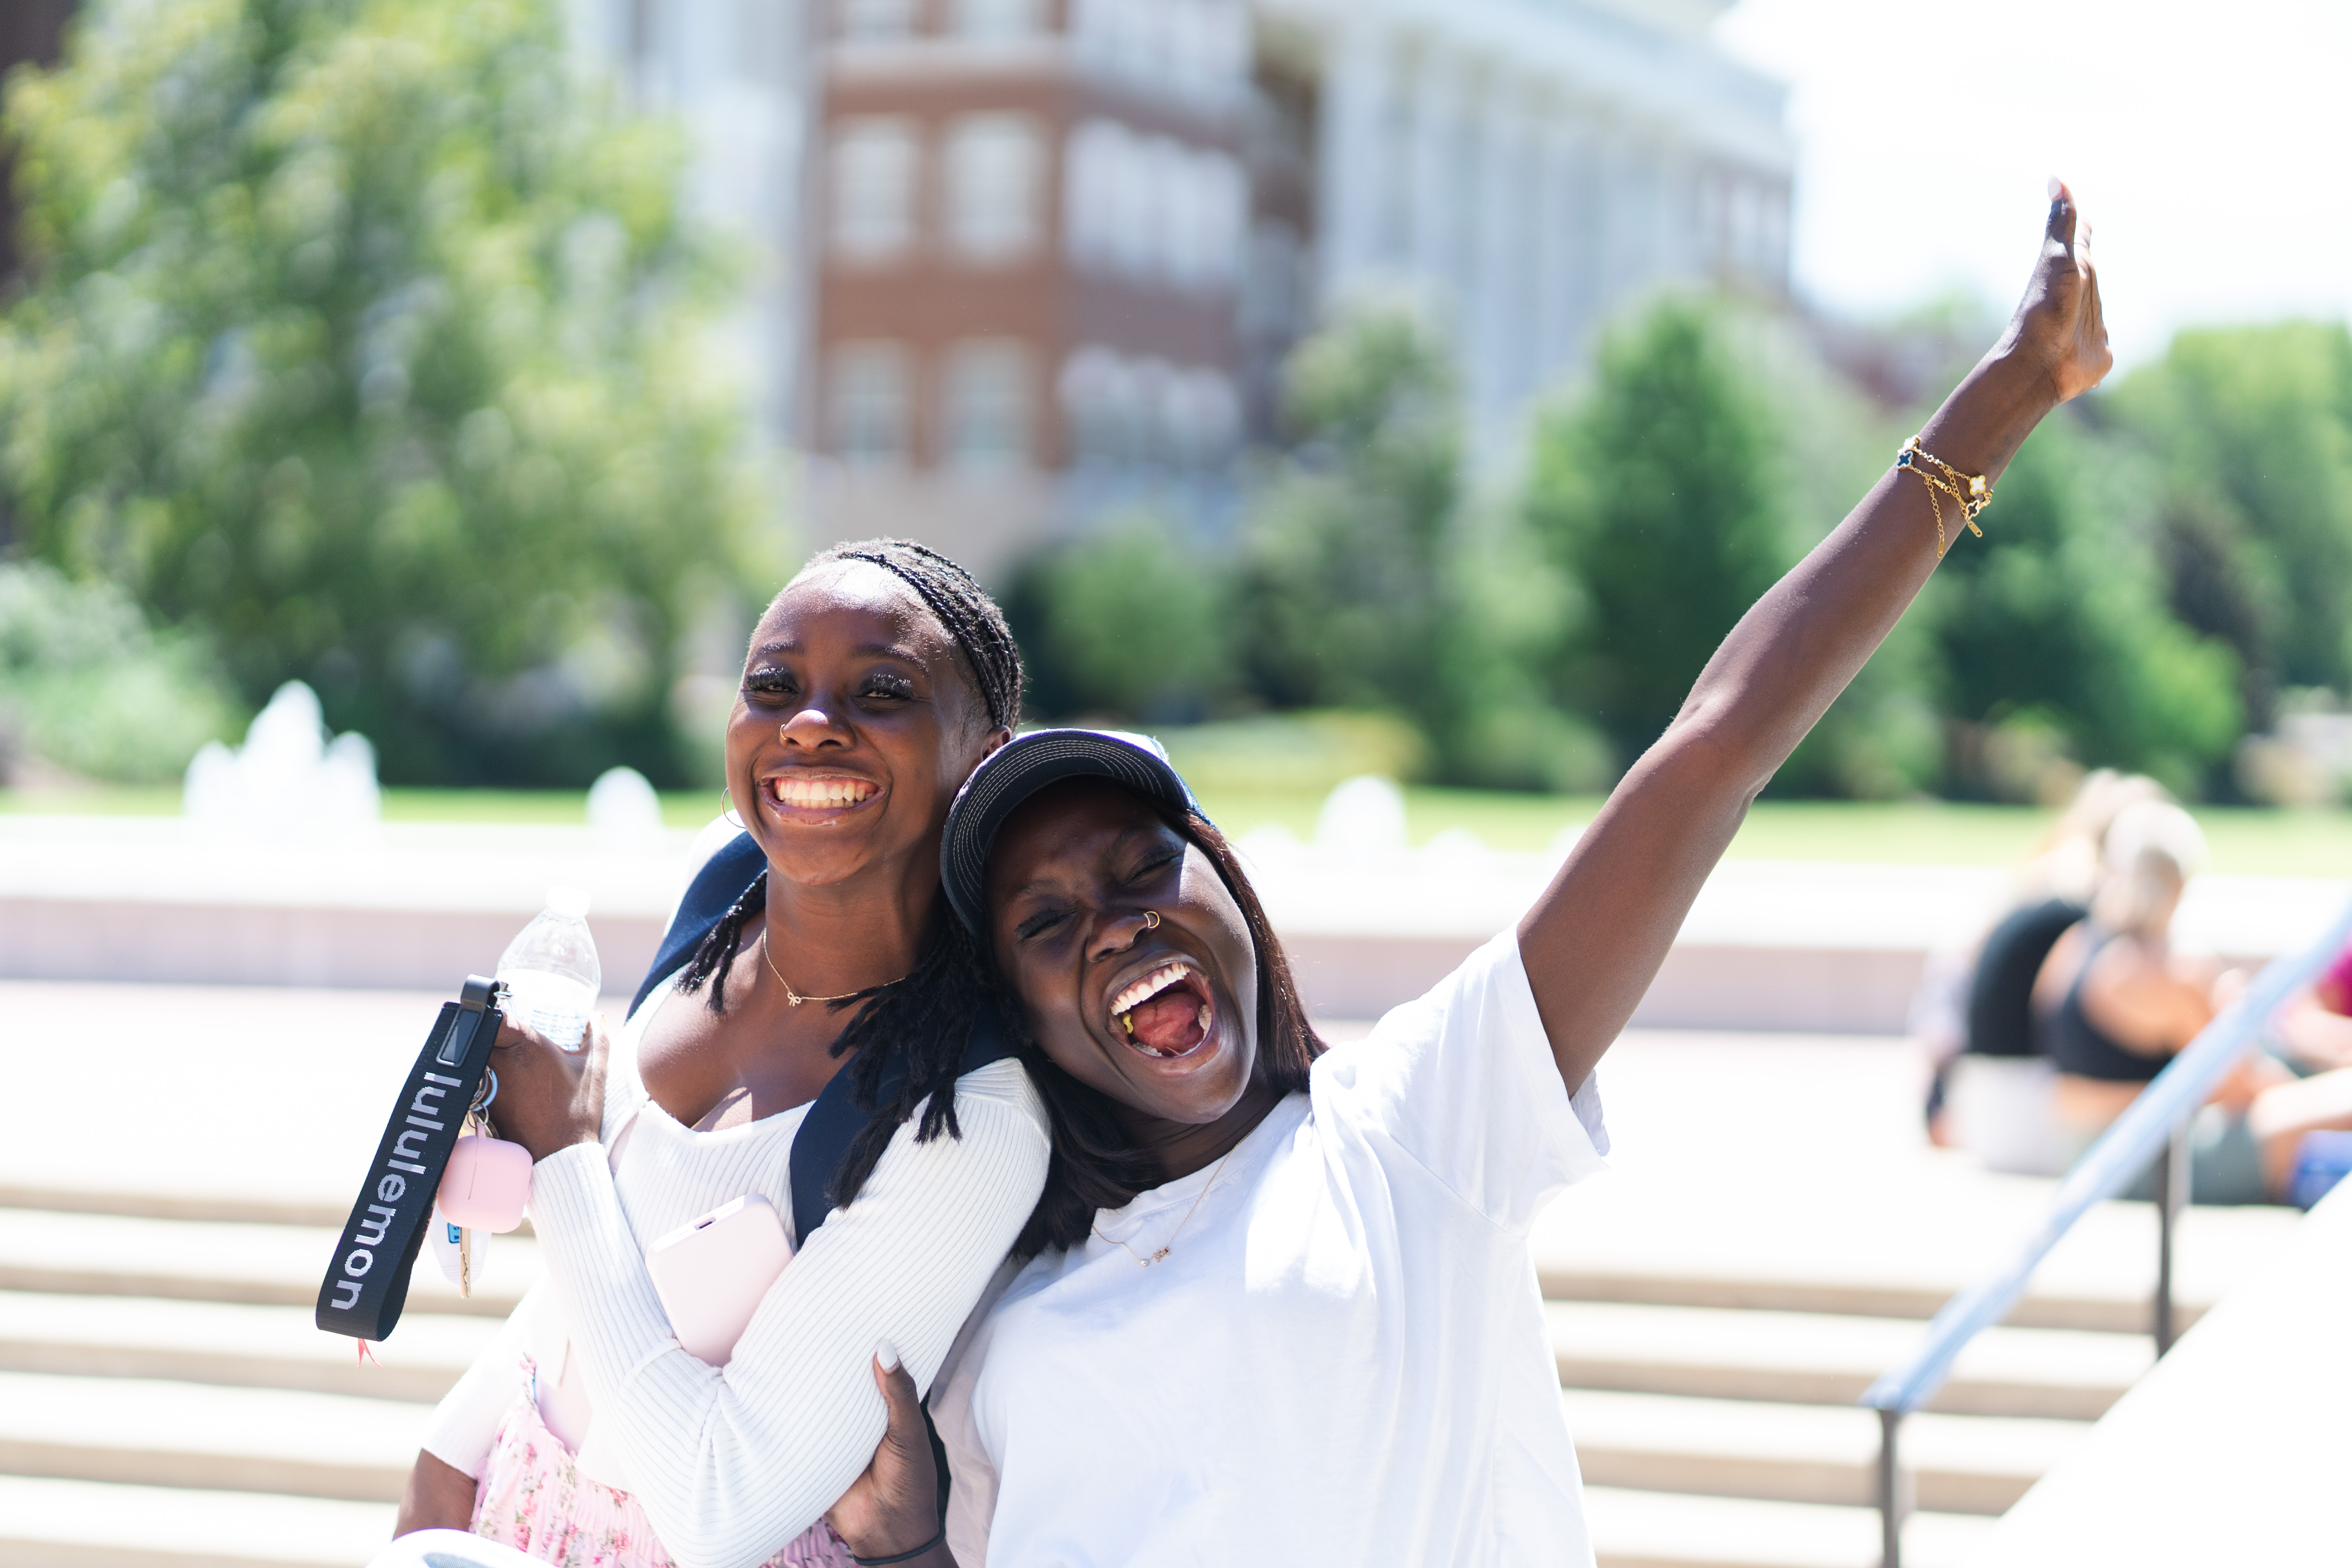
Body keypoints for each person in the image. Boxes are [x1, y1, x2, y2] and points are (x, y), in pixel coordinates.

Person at [833, 185, 2120, 1566]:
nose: (1114, 924)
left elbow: (1711, 754)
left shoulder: (1412, 1128)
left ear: (1231, 893)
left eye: (1146, 868)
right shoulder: (1003, 1312)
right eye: (1046, 922)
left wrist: (2006, 394)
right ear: (1018, 1013)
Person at [387, 541, 1053, 1568]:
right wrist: (450, 1450)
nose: (810, 723)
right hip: (510, 1507)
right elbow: (603, 1275)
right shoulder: (721, 889)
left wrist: (560, 1155)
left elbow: (719, 1507)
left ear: (982, 753)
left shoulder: (969, 1114)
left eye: (883, 691)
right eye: (773, 685)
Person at [2033, 799, 2352, 1204]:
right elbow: (2243, 1088)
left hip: (2079, 1146)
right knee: (2329, 1101)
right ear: (2181, 884)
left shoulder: (2076, 944)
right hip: (2134, 1160)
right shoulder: (2168, 969)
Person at [1924, 770, 2171, 1163]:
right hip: (2026, 1116)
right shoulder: (2097, 906)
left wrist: (1937, 1096)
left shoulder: (2041, 878)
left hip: (1979, 1102)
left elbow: (1952, 975)